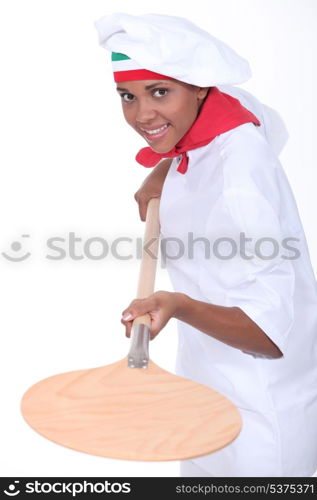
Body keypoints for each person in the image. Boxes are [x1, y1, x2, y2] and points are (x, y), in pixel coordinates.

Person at [95, 13, 317, 477]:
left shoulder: (238, 181)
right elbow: (264, 119)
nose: (141, 115)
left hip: (259, 419)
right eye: (127, 96)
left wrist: (176, 305)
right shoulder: (224, 118)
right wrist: (164, 169)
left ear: (199, 87)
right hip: (203, 394)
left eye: (160, 92)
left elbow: (269, 334)